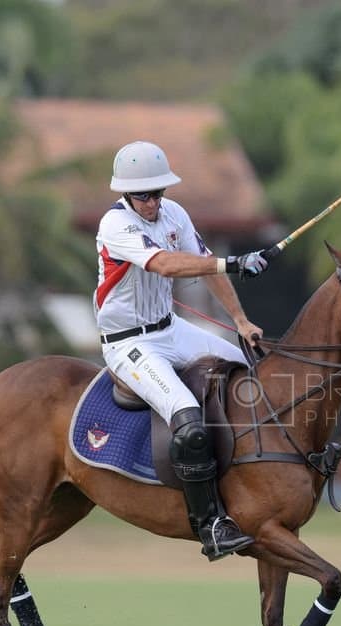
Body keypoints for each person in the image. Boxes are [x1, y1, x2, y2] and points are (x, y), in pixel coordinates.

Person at [95, 140, 268, 561]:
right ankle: (210, 525)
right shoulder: (115, 225)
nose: (153, 202)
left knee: (252, 376)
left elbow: (205, 263)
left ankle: (254, 485)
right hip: (129, 343)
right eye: (144, 196)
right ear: (126, 194)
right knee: (188, 420)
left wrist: (241, 321)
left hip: (171, 329)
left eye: (158, 192)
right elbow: (165, 264)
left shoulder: (175, 214)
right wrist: (233, 262)